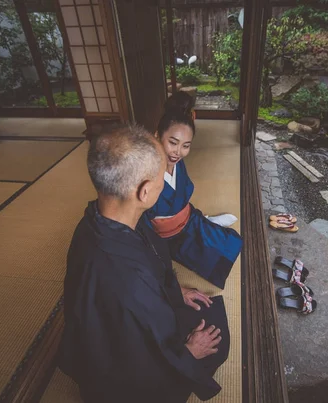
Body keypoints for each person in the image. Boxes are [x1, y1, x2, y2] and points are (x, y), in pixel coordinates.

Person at [58, 124, 230, 403]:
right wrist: (187, 354)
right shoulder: (125, 282)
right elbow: (134, 363)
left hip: (129, 313)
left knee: (205, 314)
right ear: (146, 192)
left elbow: (152, 259)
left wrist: (174, 292)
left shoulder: (96, 220)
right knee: (215, 342)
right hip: (122, 373)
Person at [145, 104, 243, 290]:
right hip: (168, 236)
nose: (178, 152)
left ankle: (205, 221)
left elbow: (183, 193)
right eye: (172, 143)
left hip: (188, 218)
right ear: (157, 136)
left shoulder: (177, 163)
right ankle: (205, 224)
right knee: (211, 260)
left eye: (185, 146)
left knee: (231, 241)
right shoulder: (146, 170)